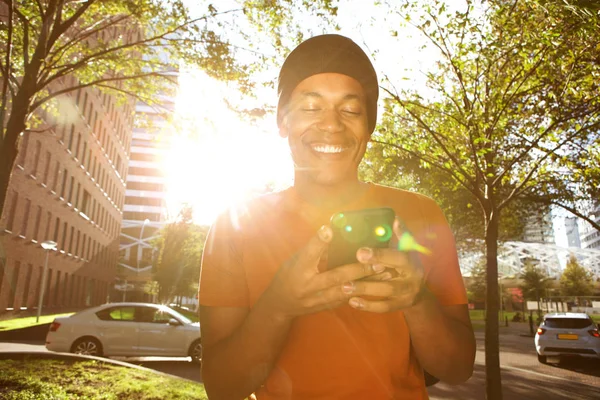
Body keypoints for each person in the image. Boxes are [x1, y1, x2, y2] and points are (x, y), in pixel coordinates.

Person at [198, 34, 475, 400]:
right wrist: (279, 305)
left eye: (351, 109)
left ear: (369, 128)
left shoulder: (421, 213)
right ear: (282, 122)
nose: (332, 124)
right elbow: (222, 387)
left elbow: (457, 369)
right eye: (311, 107)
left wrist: (416, 299)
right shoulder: (234, 225)